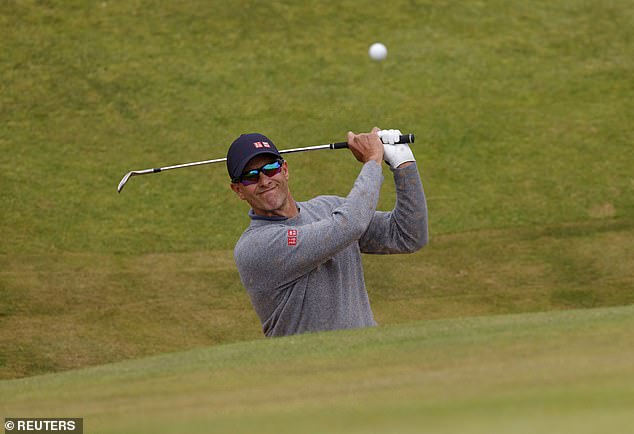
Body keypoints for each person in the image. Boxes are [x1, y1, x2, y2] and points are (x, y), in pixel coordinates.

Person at [227, 127, 428, 337]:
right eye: (250, 177)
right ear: (238, 190)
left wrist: (403, 163)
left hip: (369, 359)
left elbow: (408, 235)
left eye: (271, 168)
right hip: (311, 366)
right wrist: (373, 160)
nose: (264, 180)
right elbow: (349, 225)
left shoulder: (327, 208)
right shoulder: (256, 246)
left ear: (284, 169)